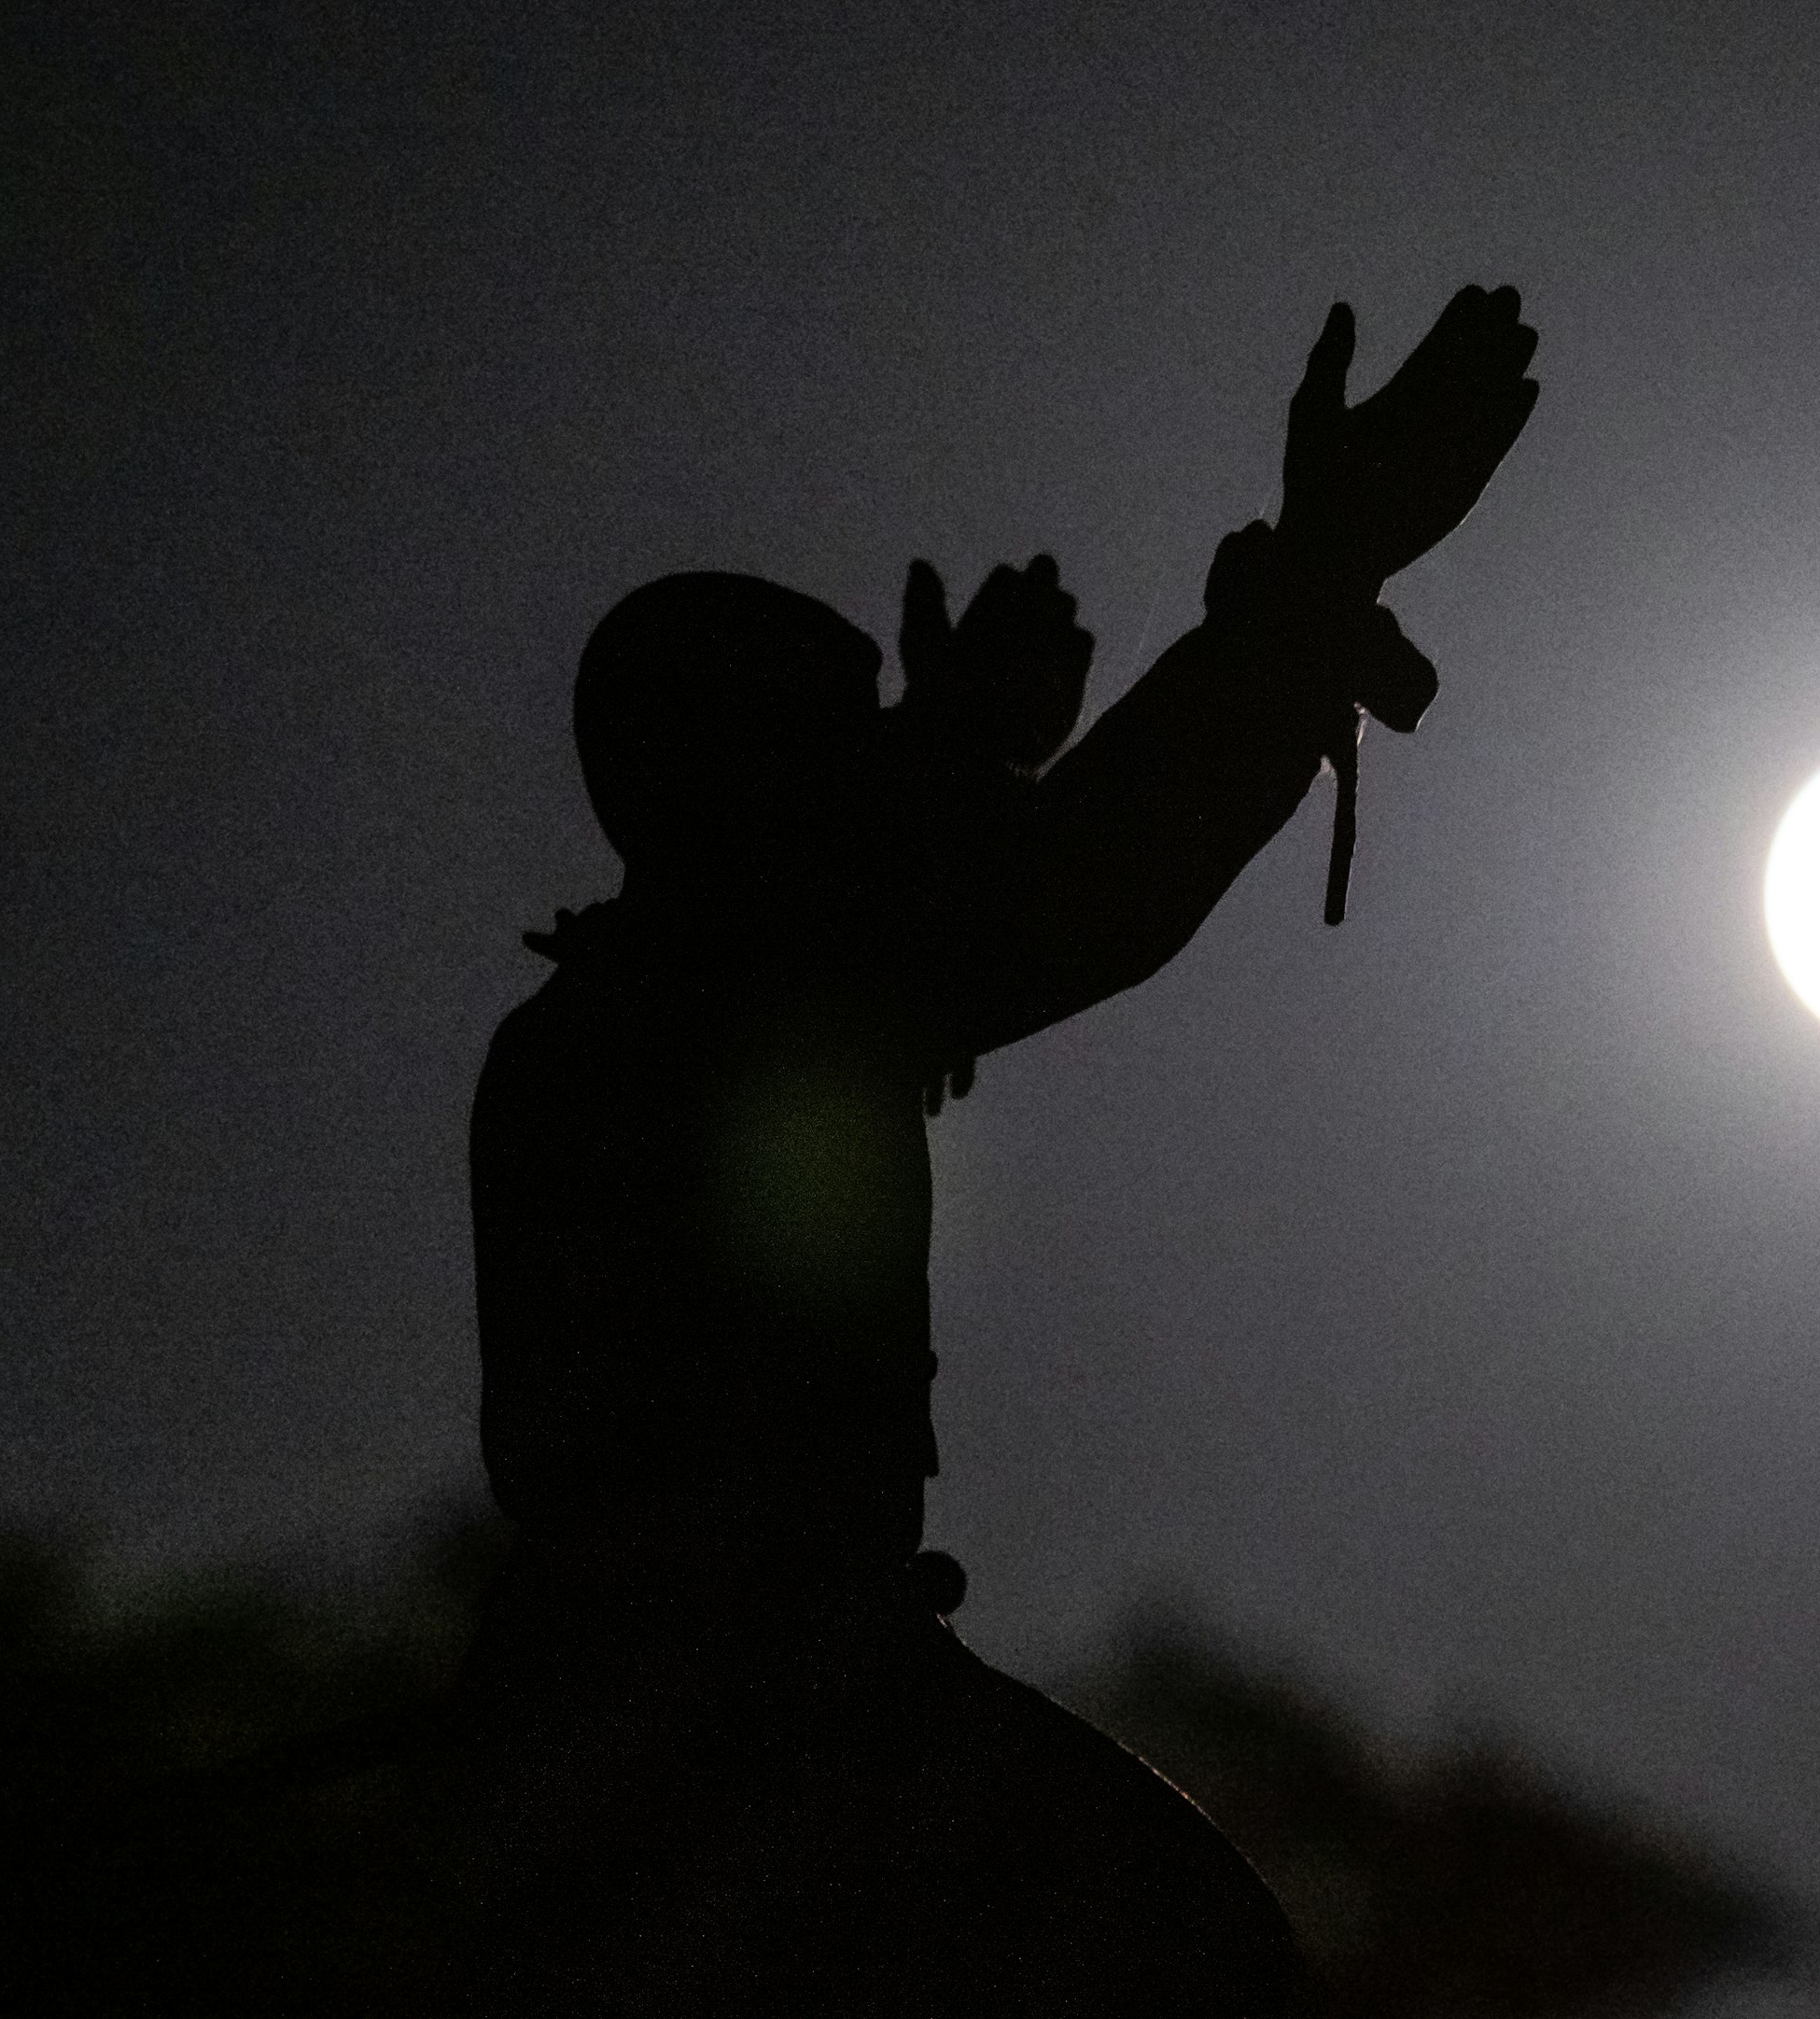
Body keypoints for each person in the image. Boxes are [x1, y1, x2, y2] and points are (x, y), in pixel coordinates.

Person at [460, 287, 1539, 2015]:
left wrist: (970, 752)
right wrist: (1321, 567)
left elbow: (974, 901)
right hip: (733, 1735)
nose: (890, 753)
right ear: (745, 779)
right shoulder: (721, 1019)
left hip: (703, 1713)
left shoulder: (672, 1012)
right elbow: (1054, 893)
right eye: (850, 728)